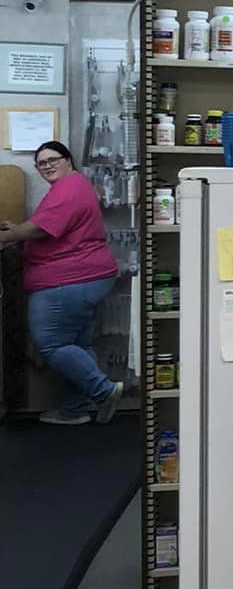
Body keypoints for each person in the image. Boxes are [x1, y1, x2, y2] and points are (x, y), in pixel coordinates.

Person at [0, 140, 124, 426]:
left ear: (68, 160)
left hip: (68, 279)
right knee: (77, 345)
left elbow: (41, 228)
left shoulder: (69, 187)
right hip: (86, 277)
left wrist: (9, 235)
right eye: (41, 163)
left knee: (51, 344)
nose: (47, 166)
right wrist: (18, 230)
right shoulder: (72, 186)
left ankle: (103, 391)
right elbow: (48, 225)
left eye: (53, 160)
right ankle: (75, 408)